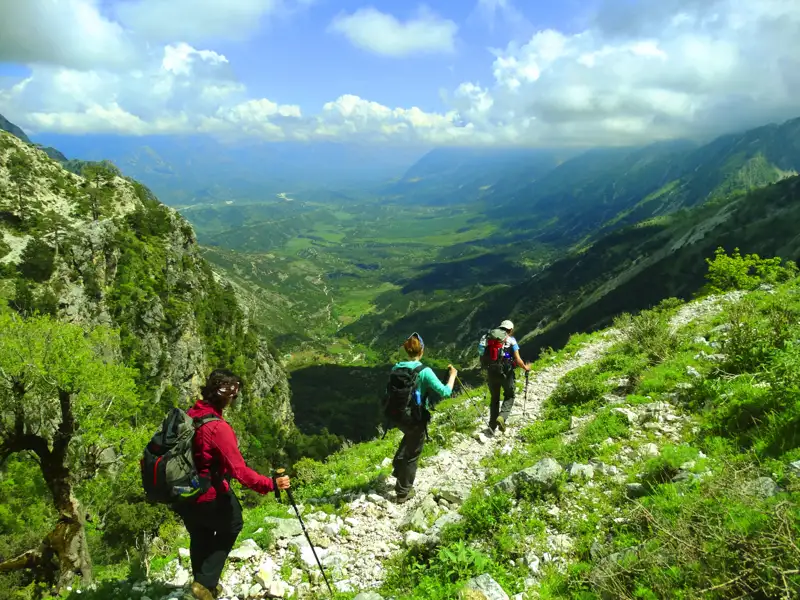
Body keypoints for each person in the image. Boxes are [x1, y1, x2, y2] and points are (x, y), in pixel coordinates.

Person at [175, 369, 291, 600]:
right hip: (209, 493)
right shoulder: (218, 428)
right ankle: (204, 583)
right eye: (234, 396)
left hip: (185, 490)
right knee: (233, 523)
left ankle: (204, 585)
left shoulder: (193, 414)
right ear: (228, 396)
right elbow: (240, 472)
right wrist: (271, 484)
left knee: (200, 534)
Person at [390, 332, 457, 504]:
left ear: (407, 350)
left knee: (409, 436)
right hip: (416, 417)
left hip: (398, 414)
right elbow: (445, 392)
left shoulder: (396, 368)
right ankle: (403, 492)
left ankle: (398, 466)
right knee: (413, 454)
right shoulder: (425, 371)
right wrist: (453, 376)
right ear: (422, 351)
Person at [478, 320, 530, 433]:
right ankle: (502, 417)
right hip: (506, 372)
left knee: (495, 398)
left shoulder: (486, 337)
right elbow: (518, 359)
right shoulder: (511, 340)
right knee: (510, 395)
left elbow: (481, 352)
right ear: (510, 330)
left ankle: (492, 425)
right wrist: (525, 368)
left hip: (491, 371)